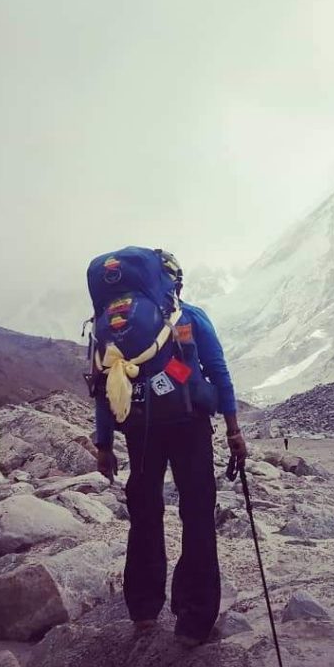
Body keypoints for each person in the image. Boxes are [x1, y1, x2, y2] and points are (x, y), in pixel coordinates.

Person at [93, 249, 248, 646]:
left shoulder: (109, 325)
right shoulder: (189, 317)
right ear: (173, 282)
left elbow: (103, 385)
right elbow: (218, 372)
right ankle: (193, 621)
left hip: (139, 429)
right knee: (196, 516)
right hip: (189, 426)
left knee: (145, 515)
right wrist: (233, 431)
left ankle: (143, 611)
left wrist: (104, 444)